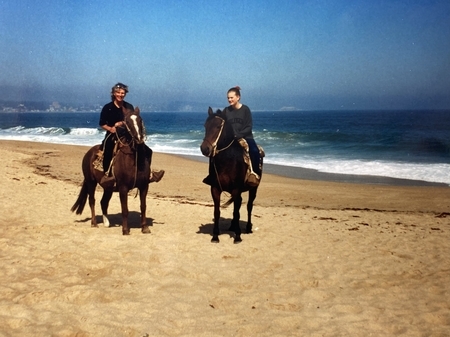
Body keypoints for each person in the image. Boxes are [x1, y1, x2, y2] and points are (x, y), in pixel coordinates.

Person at [99, 82, 164, 183]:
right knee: (108, 148)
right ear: (114, 94)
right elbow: (102, 123)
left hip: (128, 133)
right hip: (114, 134)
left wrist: (125, 123)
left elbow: (132, 120)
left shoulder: (129, 106)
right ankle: (107, 174)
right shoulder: (108, 107)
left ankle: (148, 174)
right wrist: (111, 128)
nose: (121, 95)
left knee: (148, 151)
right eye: (118, 93)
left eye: (123, 93)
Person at [203, 86, 261, 186]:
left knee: (254, 151)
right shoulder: (227, 111)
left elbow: (249, 126)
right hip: (230, 138)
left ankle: (253, 174)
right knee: (214, 152)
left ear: (238, 97)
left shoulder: (245, 109)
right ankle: (212, 175)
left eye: (231, 97)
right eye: (228, 98)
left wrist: (238, 134)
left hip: (246, 137)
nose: (229, 100)